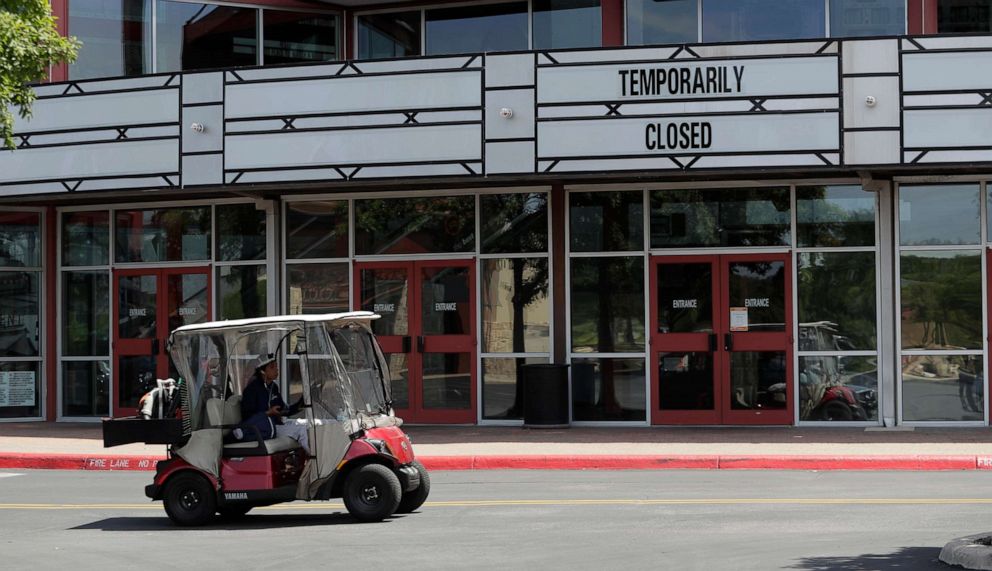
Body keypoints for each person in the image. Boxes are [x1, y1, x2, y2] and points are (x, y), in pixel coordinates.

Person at [232, 353, 310, 454]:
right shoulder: (251, 390)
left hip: (277, 425)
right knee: (301, 430)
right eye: (272, 367)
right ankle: (312, 460)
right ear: (262, 371)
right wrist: (268, 413)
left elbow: (284, 410)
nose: (277, 369)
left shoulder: (273, 387)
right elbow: (248, 416)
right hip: (263, 429)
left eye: (276, 366)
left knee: (308, 426)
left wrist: (301, 404)